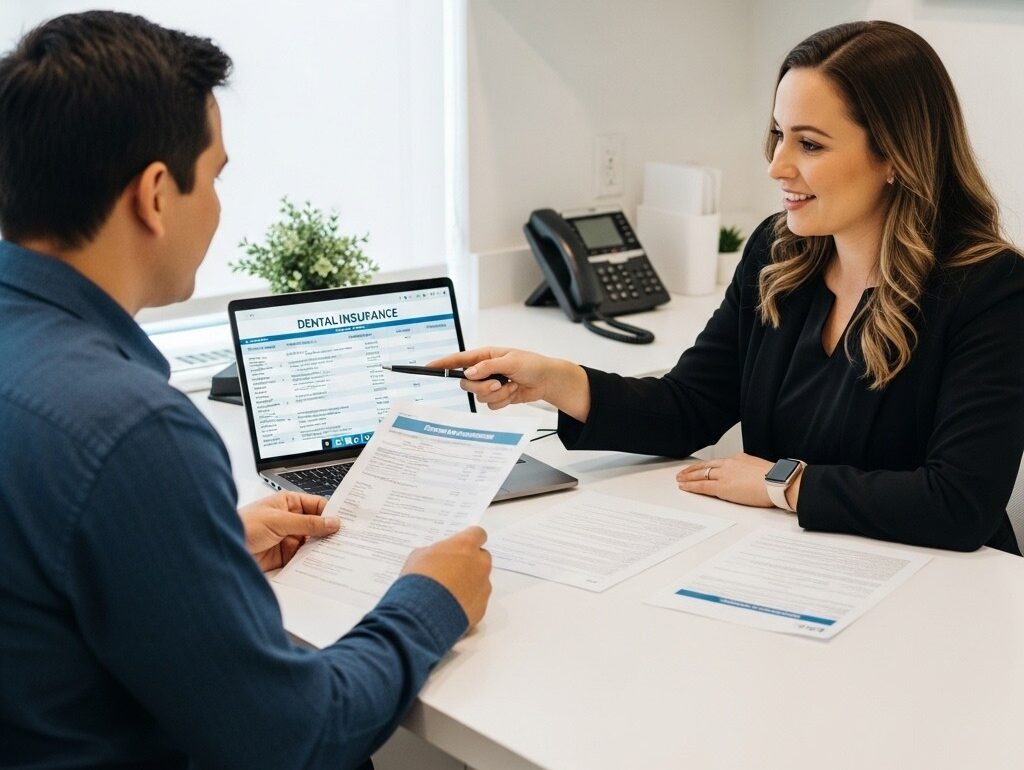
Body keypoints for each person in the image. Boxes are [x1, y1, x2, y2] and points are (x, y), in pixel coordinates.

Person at [0, 11, 491, 769]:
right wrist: (432, 598)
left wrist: (206, 545)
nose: (223, 205)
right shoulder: (130, 428)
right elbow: (296, 736)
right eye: (218, 174)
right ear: (155, 195)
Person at [434, 21, 1024, 555]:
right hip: (801, 565)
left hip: (943, 597)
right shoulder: (778, 256)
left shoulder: (989, 289)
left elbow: (960, 504)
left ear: (895, 156)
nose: (777, 166)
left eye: (810, 143)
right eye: (778, 134)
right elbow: (688, 408)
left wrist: (784, 485)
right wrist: (557, 380)